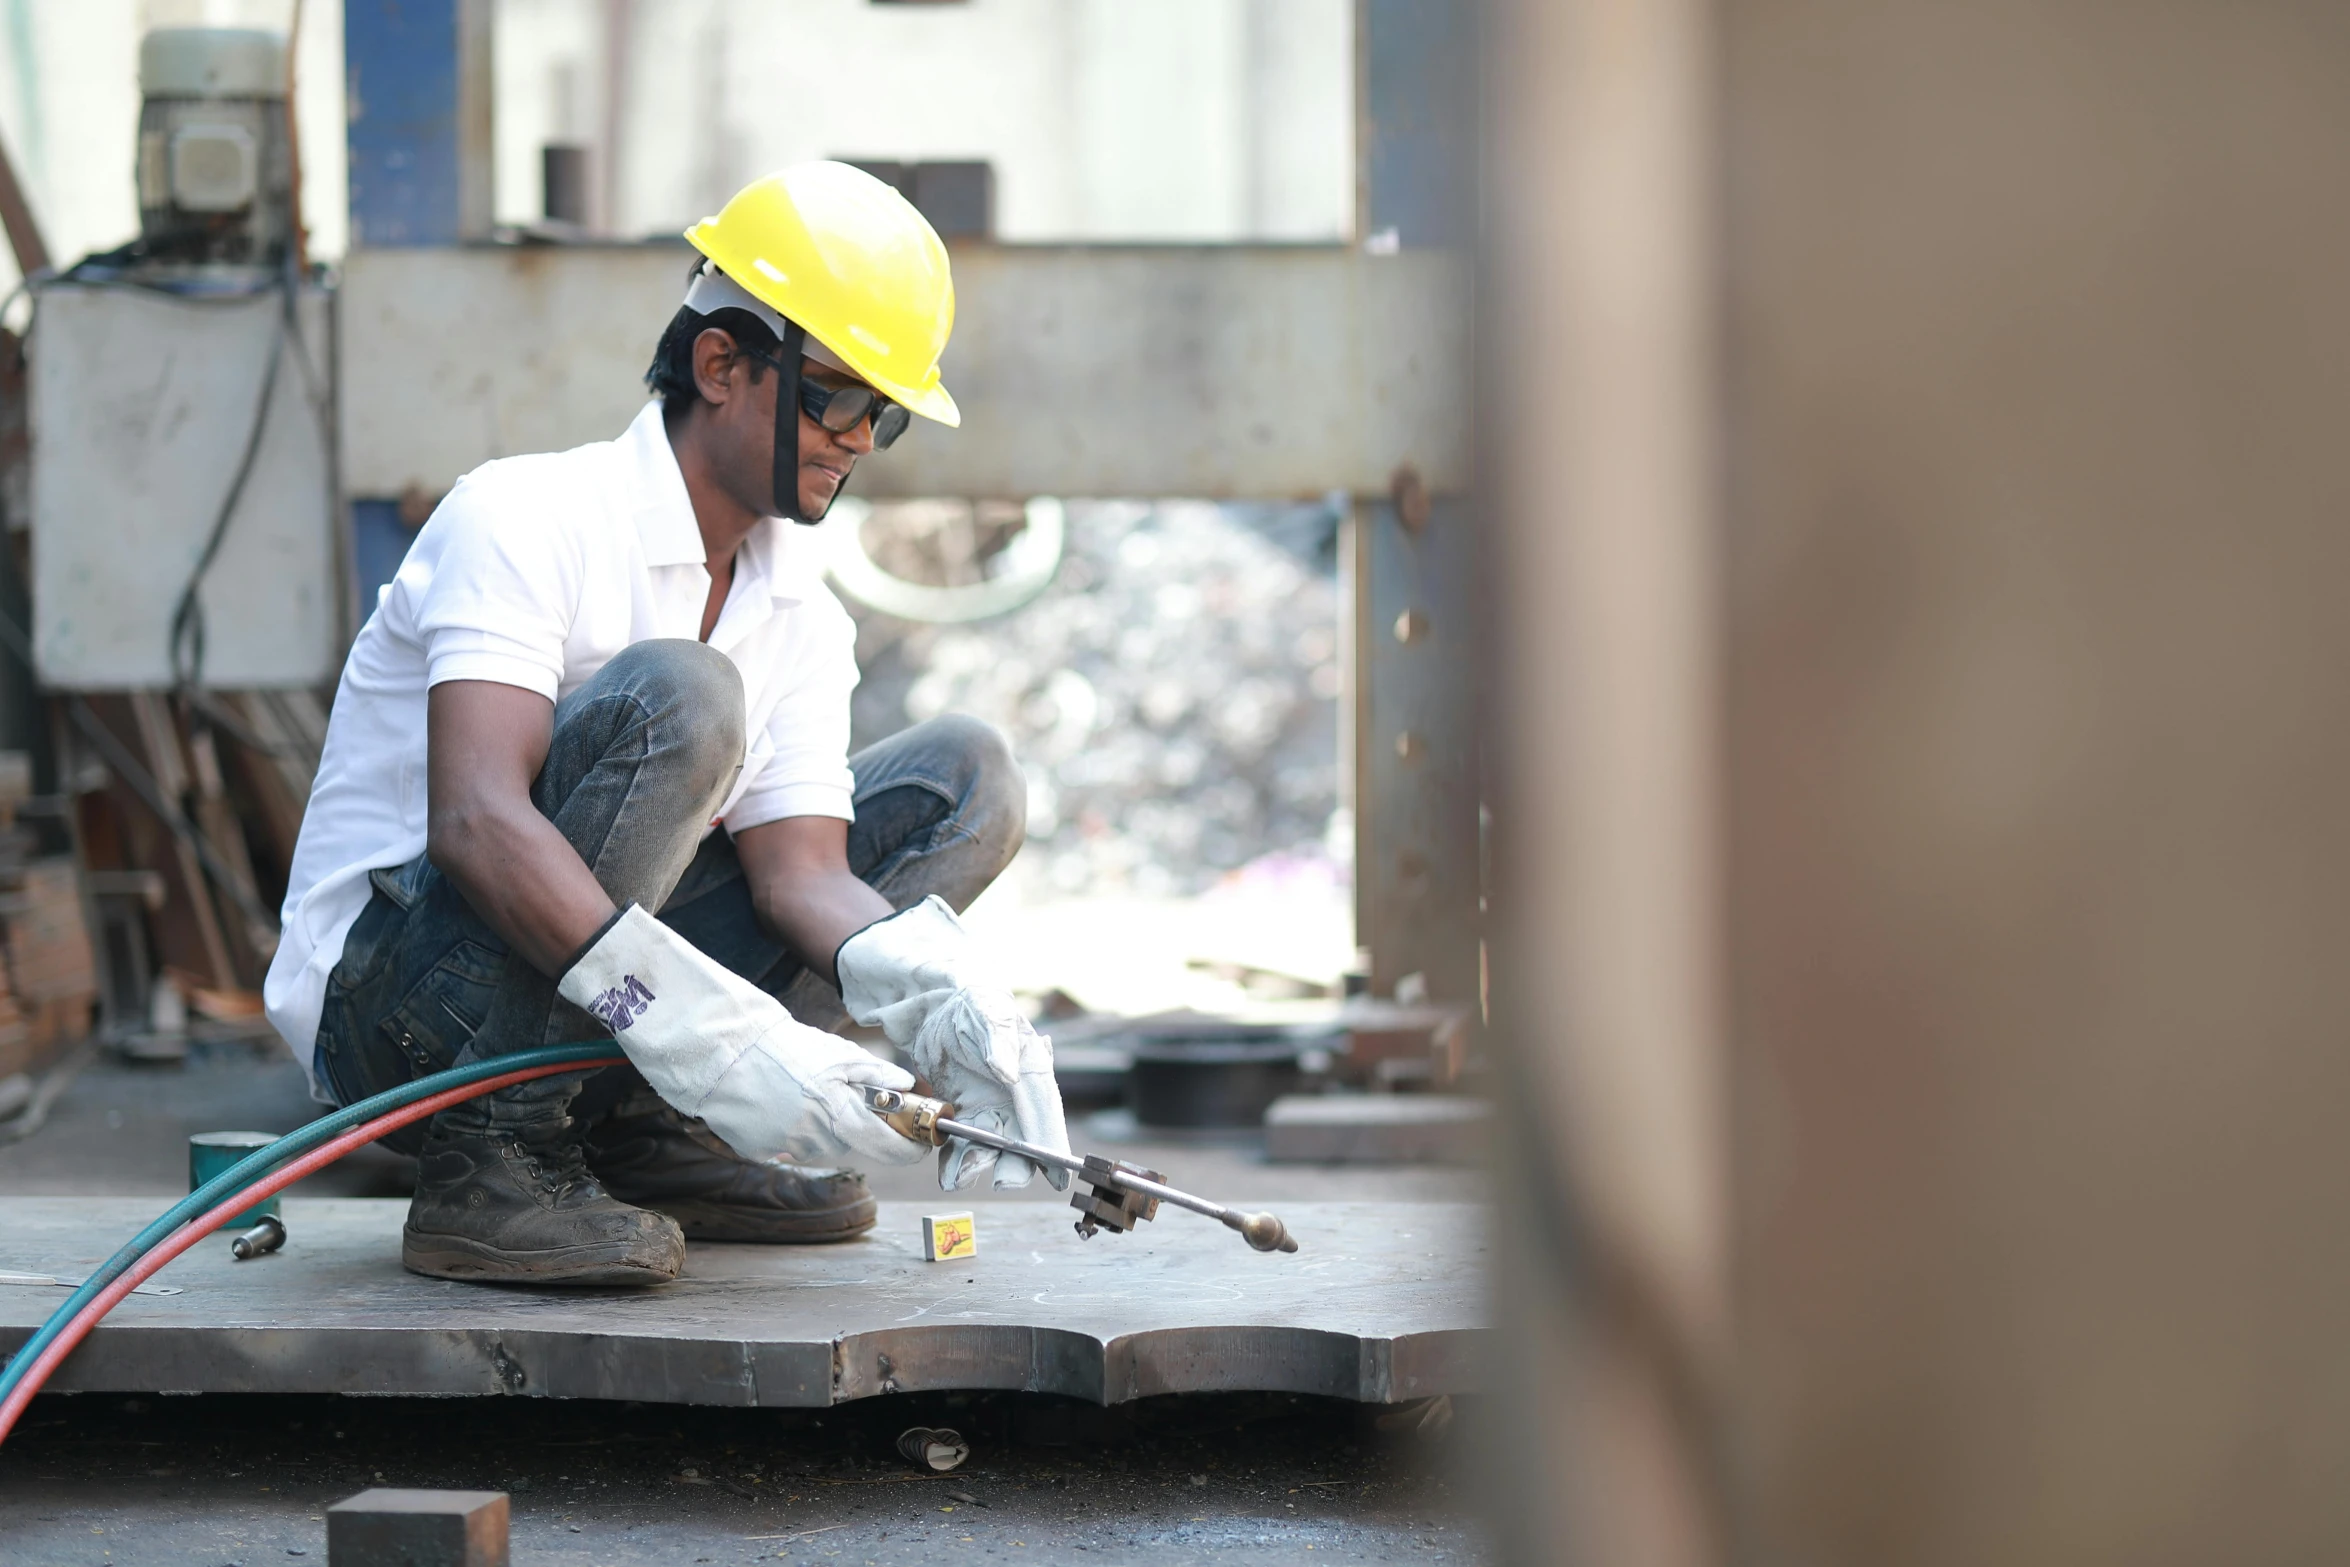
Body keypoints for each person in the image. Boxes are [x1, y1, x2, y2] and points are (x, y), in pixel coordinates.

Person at [262, 163, 1071, 1287]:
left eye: (881, 414)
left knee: (965, 780)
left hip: (587, 1005)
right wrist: (701, 1027)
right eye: (838, 397)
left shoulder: (797, 607)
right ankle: (490, 1162)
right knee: (683, 699)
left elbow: (802, 881)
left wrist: (947, 991)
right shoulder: (527, 516)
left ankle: (652, 1132)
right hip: (395, 1018)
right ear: (721, 364)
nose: (860, 440)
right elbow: (475, 818)